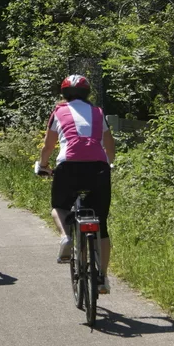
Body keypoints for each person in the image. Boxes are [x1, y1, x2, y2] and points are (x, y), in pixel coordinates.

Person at [35, 75, 115, 294]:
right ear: (87, 93)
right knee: (102, 224)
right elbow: (110, 148)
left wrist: (42, 165)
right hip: (98, 170)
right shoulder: (98, 113)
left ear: (64, 94)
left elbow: (48, 147)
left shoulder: (59, 112)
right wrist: (109, 165)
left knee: (59, 207)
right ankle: (102, 278)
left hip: (68, 167)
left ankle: (66, 237)